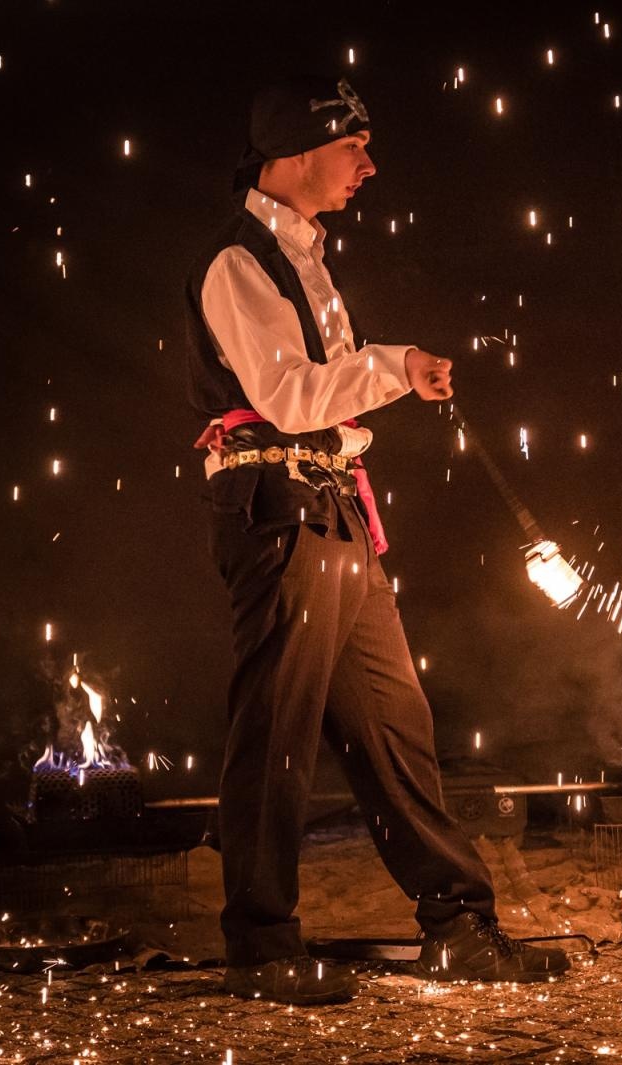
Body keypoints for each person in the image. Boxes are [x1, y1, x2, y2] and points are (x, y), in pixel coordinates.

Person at [185, 75, 568, 1005]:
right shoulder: (239, 263)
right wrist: (393, 365)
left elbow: (326, 393)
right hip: (280, 515)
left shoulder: (306, 256)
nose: (370, 163)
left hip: (335, 510)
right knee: (275, 732)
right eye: (353, 145)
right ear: (297, 152)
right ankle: (262, 947)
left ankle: (458, 927)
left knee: (399, 728)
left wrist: (391, 374)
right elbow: (286, 398)